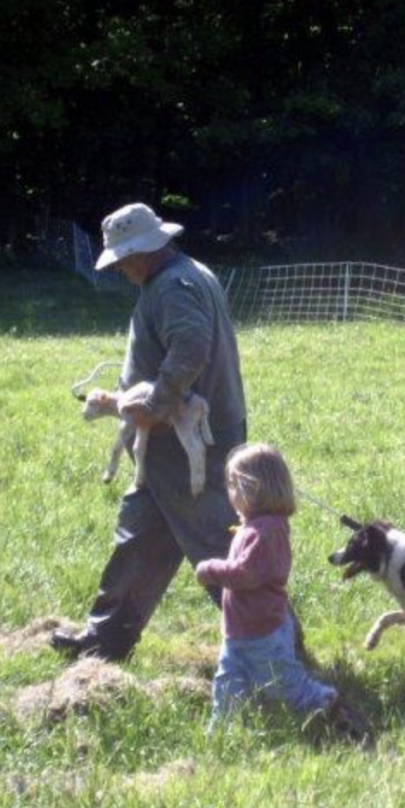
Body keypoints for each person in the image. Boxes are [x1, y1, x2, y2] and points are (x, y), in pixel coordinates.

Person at [51, 202, 247, 661]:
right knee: (137, 537)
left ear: (143, 250)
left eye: (122, 260)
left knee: (217, 544)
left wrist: (155, 402)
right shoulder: (184, 273)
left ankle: (276, 645)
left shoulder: (173, 286)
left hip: (188, 444)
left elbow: (192, 345)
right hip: (165, 444)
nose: (119, 268)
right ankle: (106, 639)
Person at [195, 443, 366, 739]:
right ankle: (220, 734)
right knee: (227, 684)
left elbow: (245, 574)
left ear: (253, 489)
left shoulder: (266, 532)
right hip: (240, 631)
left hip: (262, 631)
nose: (230, 494)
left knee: (285, 687)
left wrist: (210, 570)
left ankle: (327, 702)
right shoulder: (254, 526)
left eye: (234, 486)